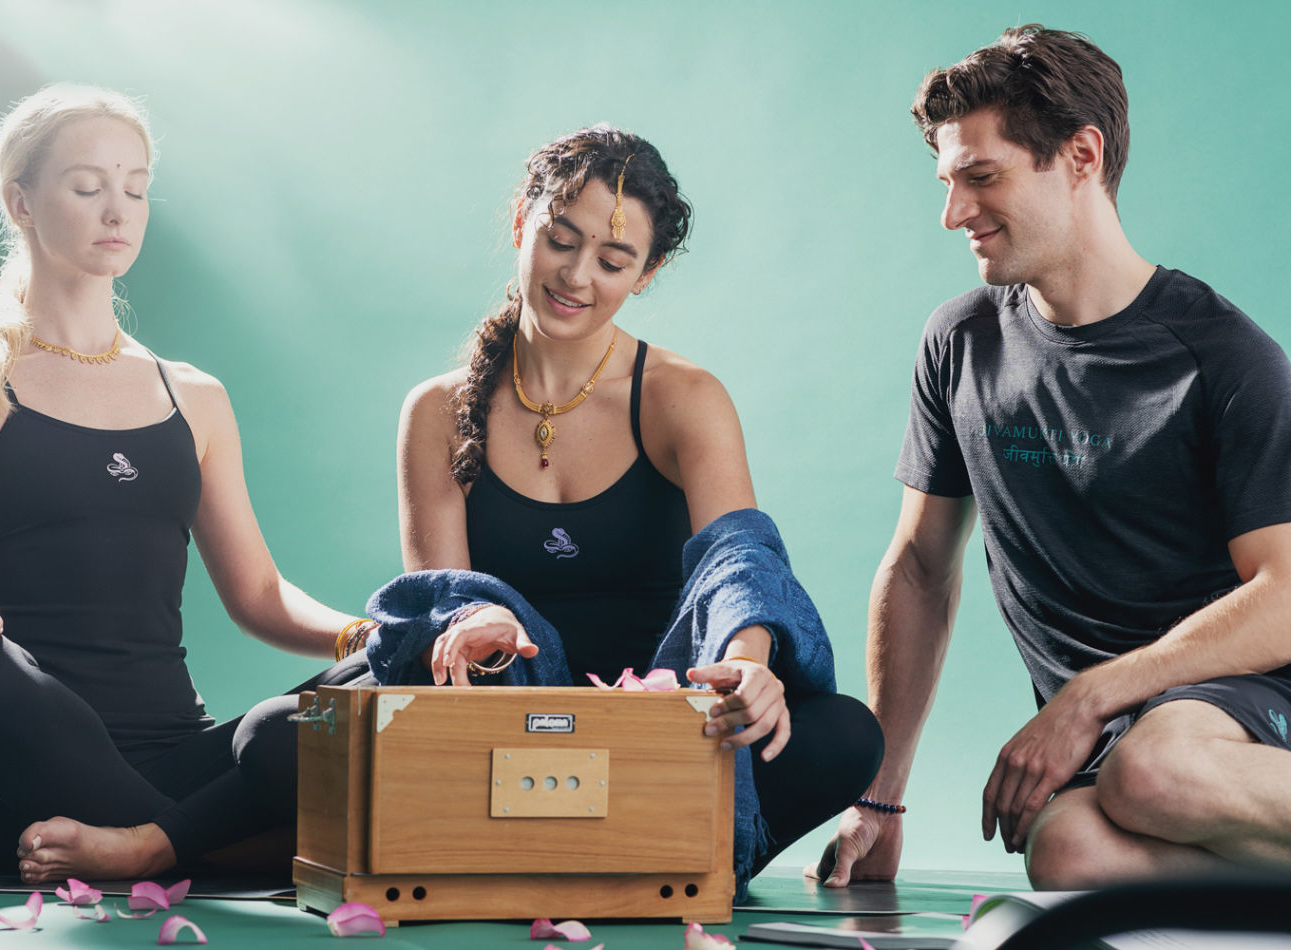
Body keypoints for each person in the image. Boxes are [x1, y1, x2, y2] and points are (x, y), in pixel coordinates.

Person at [815, 26, 1291, 890]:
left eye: (981, 177)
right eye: (947, 183)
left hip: (1242, 712)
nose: (953, 213)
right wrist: (877, 795)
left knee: (1157, 770)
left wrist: (1088, 694)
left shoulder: (1223, 357)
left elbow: (1285, 595)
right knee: (1063, 851)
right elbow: (920, 568)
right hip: (1115, 743)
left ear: (1079, 156)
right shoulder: (960, 342)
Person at [0, 84, 376, 885]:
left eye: (136, 188)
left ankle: (151, 844)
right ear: (20, 202)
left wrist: (366, 637)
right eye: (88, 187)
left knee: (390, 670)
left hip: (175, 756)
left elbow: (258, 594)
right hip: (16, 757)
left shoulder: (195, 396)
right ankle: (228, 842)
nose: (118, 210)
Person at [390, 125, 883, 893]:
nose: (576, 275)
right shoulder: (436, 409)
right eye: (560, 241)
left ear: (645, 275)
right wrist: (473, 625)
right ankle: (619, 857)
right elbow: (442, 598)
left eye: (612, 261)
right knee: (279, 736)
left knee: (844, 733)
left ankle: (555, 854)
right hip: (505, 716)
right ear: (521, 223)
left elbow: (739, 561)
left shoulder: (682, 396)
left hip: (664, 732)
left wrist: (747, 663)